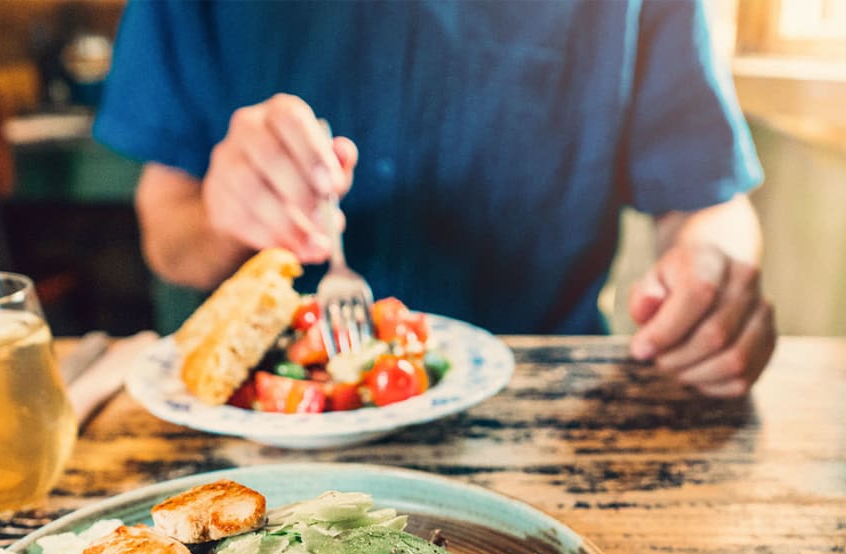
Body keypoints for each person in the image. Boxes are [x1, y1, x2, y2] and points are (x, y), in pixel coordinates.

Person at [94, 0, 776, 398]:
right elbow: (167, 231)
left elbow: (706, 203)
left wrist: (710, 274)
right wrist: (222, 211)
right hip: (264, 420)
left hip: (547, 407)